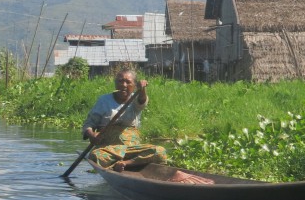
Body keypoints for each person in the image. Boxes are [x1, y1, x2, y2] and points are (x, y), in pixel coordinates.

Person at [82, 69, 212, 184]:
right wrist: (91, 135)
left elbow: (142, 101)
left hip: (131, 148)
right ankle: (117, 163)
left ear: (134, 85)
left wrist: (142, 89)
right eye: (120, 81)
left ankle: (125, 163)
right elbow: (89, 124)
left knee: (160, 151)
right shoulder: (103, 101)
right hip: (109, 148)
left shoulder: (135, 99)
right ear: (115, 83)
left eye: (128, 82)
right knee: (95, 156)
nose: (124, 85)